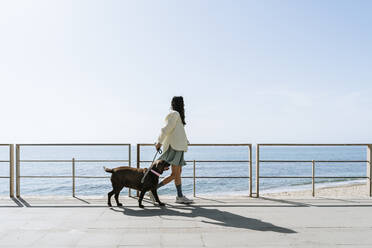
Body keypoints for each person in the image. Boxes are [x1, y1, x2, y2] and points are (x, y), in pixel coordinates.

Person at [150, 96, 193, 204]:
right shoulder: (175, 114)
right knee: (176, 174)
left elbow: (176, 132)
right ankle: (176, 196)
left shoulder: (177, 116)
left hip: (178, 147)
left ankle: (178, 196)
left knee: (176, 173)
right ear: (181, 105)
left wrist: (185, 140)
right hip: (175, 147)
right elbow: (167, 128)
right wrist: (159, 142)